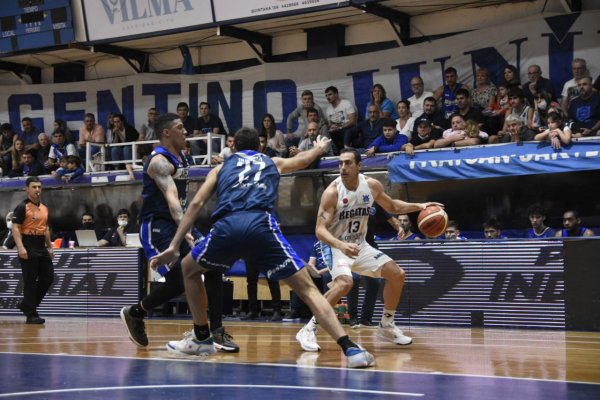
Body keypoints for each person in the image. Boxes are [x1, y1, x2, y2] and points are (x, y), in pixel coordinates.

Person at [150, 128, 375, 368]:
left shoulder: (220, 167)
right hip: (261, 226)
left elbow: (195, 203)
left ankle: (202, 337)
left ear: (233, 147)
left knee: (189, 269)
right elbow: (302, 160)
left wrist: (174, 245)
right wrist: (319, 148)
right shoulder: (271, 161)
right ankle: (350, 349)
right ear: (259, 147)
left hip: (227, 226)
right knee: (308, 290)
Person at [296, 148, 442, 352]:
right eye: (340, 163)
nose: (343, 167)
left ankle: (387, 325)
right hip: (334, 245)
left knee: (397, 275)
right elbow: (319, 230)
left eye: (348, 163)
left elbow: (393, 207)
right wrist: (340, 245)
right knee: (344, 284)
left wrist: (420, 205)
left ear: (359, 166)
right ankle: (309, 328)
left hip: (359, 244)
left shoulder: (371, 185)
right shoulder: (333, 192)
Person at [120, 113, 239, 353]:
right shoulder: (158, 162)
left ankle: (214, 330)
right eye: (181, 128)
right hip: (158, 226)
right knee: (177, 282)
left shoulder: (183, 155)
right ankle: (135, 313)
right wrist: (184, 231)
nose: (186, 132)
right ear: (167, 132)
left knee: (214, 265)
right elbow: (172, 198)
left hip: (181, 221)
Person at [12, 177, 55, 324]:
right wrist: (20, 247)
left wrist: (50, 247)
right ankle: (31, 314)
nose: (37, 190)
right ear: (27, 189)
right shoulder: (22, 207)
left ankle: (26, 305)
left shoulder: (44, 208)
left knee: (48, 277)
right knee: (30, 281)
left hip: (40, 244)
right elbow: (15, 228)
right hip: (28, 243)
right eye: (34, 187)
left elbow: (45, 229)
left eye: (39, 187)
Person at [325, 86, 357, 153]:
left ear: (336, 94)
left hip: (348, 129)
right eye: (326, 95)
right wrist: (331, 127)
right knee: (328, 132)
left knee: (346, 131)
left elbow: (352, 120)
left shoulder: (346, 103)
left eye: (330, 94)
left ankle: (346, 150)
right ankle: (335, 152)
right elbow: (330, 124)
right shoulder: (328, 109)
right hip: (337, 131)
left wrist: (340, 127)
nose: (328, 97)